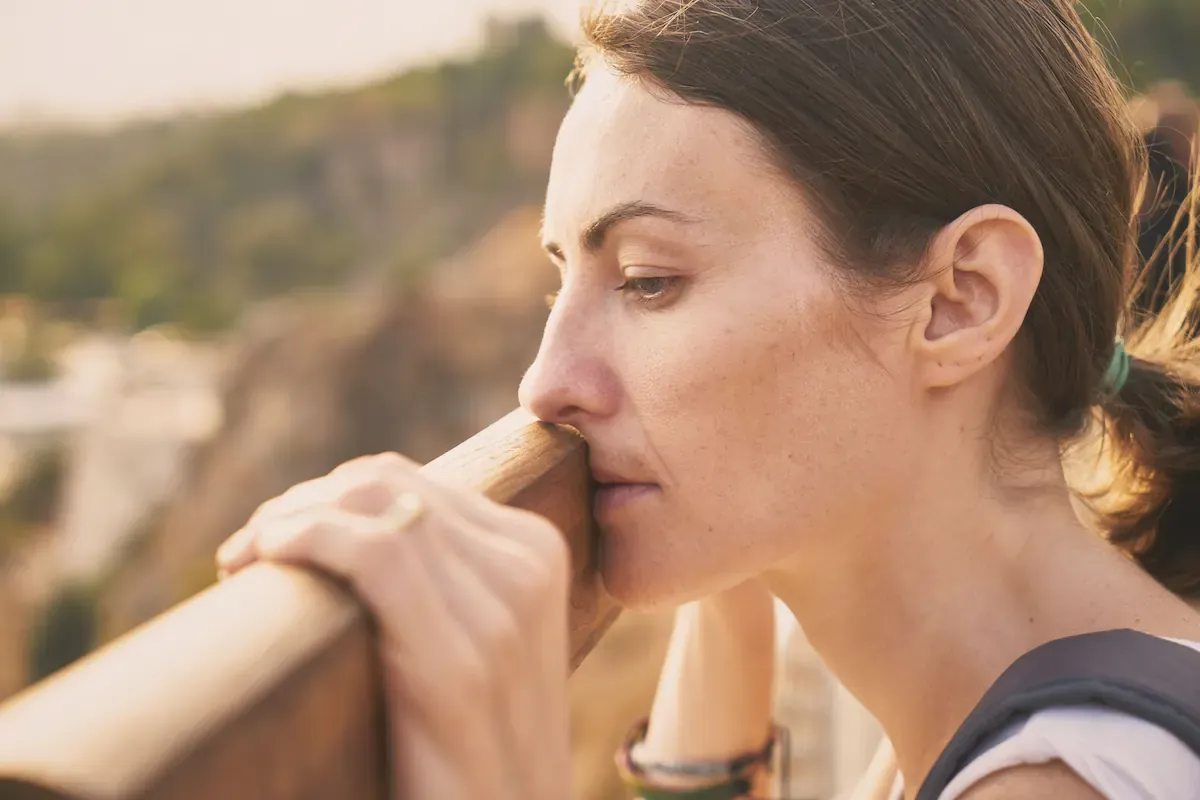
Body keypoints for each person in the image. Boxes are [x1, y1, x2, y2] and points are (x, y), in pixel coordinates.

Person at [215, 1, 1200, 798]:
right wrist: (724, 594)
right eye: (564, 279)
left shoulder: (1060, 780)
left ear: (958, 300)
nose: (543, 383)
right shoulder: (1017, 706)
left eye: (647, 279)